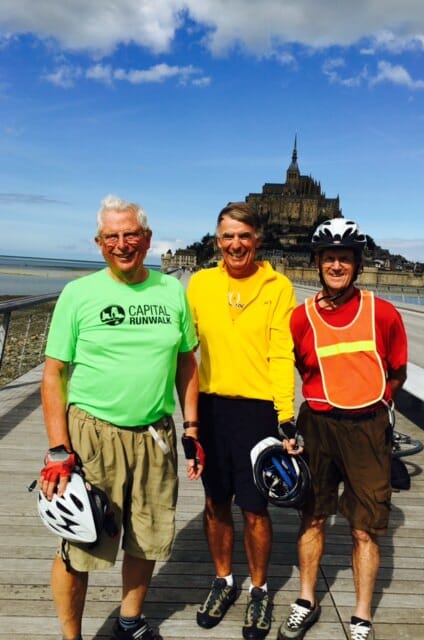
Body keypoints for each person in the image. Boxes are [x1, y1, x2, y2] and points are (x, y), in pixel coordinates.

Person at [39, 194, 204, 640]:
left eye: (131, 234)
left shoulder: (171, 291)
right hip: (93, 436)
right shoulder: (79, 294)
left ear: (147, 239)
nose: (122, 243)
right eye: (112, 236)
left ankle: (129, 621)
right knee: (81, 543)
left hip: (155, 435)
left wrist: (191, 427)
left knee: (147, 536)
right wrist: (58, 449)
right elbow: (53, 375)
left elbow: (187, 361)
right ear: (99, 243)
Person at [277, 218, 408, 640]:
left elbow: (397, 372)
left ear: (357, 263)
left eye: (344, 259)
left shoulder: (382, 312)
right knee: (313, 517)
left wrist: (377, 405)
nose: (337, 265)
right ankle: (305, 599)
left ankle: (362, 615)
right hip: (317, 424)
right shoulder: (300, 318)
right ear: (317, 262)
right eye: (329, 258)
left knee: (362, 529)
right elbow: (296, 368)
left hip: (367, 425)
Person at [186, 202, 298, 640]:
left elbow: (280, 352)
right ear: (218, 241)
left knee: (255, 508)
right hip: (211, 409)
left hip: (257, 411)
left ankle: (259, 588)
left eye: (244, 236)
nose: (236, 244)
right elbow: (181, 352)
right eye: (227, 236)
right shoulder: (199, 284)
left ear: (258, 240)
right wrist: (185, 419)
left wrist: (286, 418)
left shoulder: (278, 286)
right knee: (215, 503)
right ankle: (223, 581)